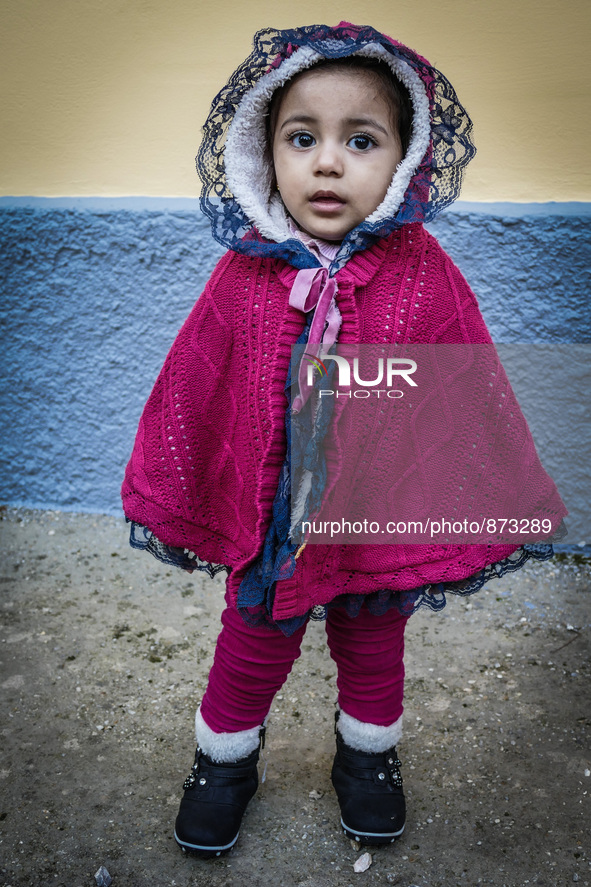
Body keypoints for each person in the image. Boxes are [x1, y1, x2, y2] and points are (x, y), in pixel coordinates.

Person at [121, 23, 567, 857]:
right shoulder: (245, 275)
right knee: (252, 635)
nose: (327, 162)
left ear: (403, 160)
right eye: (302, 138)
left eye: (360, 140)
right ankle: (225, 759)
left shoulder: (421, 272)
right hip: (271, 521)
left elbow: (457, 397)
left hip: (373, 512)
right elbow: (199, 383)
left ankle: (367, 751)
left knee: (372, 637)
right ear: (266, 153)